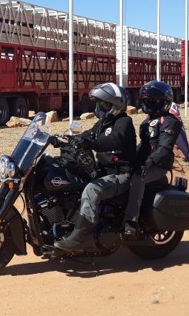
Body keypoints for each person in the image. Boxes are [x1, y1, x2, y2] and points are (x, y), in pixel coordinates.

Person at [54, 82, 136, 253]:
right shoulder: (101, 124)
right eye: (97, 105)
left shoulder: (124, 122)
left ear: (115, 105)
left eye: (103, 105)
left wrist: (92, 143)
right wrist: (62, 139)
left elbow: (114, 140)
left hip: (121, 175)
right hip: (104, 172)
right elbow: (86, 136)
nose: (99, 109)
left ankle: (79, 237)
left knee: (92, 190)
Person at [123, 80, 182, 236]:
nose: (150, 104)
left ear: (164, 102)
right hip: (147, 162)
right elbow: (143, 147)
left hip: (159, 165)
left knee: (137, 178)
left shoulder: (170, 121)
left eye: (154, 101)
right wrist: (128, 161)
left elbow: (164, 149)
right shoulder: (146, 122)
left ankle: (131, 221)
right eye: (147, 101)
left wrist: (146, 164)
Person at [169, 102, 189, 170]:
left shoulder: (171, 104)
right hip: (171, 129)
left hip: (176, 128)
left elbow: (177, 116)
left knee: (185, 147)